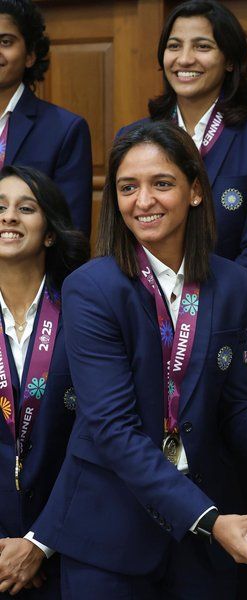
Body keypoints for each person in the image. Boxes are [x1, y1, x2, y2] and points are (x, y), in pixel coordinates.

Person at [29, 122, 247, 599]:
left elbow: (235, 407)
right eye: (128, 187)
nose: (143, 200)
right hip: (112, 534)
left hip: (207, 542)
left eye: (161, 183)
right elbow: (111, 427)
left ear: (193, 191)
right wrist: (207, 520)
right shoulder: (90, 287)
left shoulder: (232, 283)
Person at [120, 0, 247, 322]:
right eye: (174, 46)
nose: (185, 59)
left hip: (227, 322)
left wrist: (196, 313)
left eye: (202, 46)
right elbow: (119, 237)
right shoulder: (133, 138)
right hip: (143, 316)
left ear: (229, 60)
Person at [0, 165, 88, 598]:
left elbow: (96, 437)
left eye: (25, 208)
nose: (8, 217)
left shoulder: (85, 315)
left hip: (69, 548)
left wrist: (38, 543)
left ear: (50, 232)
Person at [0, 0, 92, 238]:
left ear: (30, 55)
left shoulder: (64, 130)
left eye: (5, 41)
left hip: (29, 271)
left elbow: (72, 233)